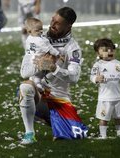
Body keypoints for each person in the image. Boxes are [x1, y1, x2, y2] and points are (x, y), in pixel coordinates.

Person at [19, 7, 88, 144]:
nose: (52, 25)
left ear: (68, 26)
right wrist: (38, 65)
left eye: (58, 23)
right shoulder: (38, 38)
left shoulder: (72, 48)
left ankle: (55, 118)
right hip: (39, 94)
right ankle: (29, 134)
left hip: (58, 99)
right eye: (52, 20)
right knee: (25, 88)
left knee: (76, 135)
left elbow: (74, 78)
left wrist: (54, 68)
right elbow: (24, 72)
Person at [90, 38, 120, 139]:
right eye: (105, 50)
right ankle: (103, 135)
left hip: (117, 96)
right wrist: (97, 78)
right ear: (98, 53)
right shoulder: (98, 65)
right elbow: (92, 76)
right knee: (104, 117)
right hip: (105, 98)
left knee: (119, 116)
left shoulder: (117, 63)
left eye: (111, 49)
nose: (109, 52)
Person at [23, 17, 59, 92]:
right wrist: (58, 54)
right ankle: (39, 84)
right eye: (37, 30)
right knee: (45, 70)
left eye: (41, 29)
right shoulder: (39, 40)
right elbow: (49, 49)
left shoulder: (29, 38)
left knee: (35, 74)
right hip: (39, 60)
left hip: (31, 60)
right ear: (30, 31)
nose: (40, 32)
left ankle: (37, 83)